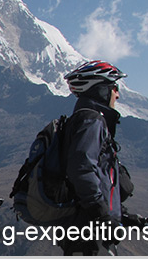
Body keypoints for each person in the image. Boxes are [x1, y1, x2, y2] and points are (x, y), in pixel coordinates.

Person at [60, 60, 127, 256]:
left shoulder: (87, 119)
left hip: (86, 226)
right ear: (101, 89)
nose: (117, 94)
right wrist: (101, 214)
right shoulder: (92, 121)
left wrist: (123, 215)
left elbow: (101, 178)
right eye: (114, 87)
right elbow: (81, 168)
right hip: (89, 229)